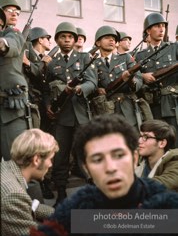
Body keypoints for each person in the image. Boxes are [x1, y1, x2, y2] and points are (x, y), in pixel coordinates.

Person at [21, 114, 178, 236]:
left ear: (135, 157)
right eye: (97, 159)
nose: (110, 168)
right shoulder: (78, 207)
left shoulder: (167, 205)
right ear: (86, 168)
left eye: (119, 155)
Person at [45, 21, 98, 205]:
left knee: (86, 151)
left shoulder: (84, 58)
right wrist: (48, 106)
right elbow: (47, 90)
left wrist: (79, 89)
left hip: (81, 113)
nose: (67, 40)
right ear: (57, 40)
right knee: (60, 155)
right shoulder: (53, 65)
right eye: (63, 37)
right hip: (62, 117)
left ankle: (94, 188)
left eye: (70, 37)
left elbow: (92, 82)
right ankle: (61, 192)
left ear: (75, 40)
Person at [1, 128, 59, 236]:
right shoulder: (13, 195)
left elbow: (30, 206)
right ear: (36, 159)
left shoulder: (7, 168)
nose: (51, 164)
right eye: (50, 159)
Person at [135, 12, 178, 147]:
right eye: (157, 26)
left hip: (172, 103)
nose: (161, 29)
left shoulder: (174, 48)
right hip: (152, 105)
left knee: (174, 143)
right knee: (156, 144)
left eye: (163, 26)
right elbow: (132, 77)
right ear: (148, 30)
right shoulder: (140, 56)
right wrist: (142, 76)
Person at [91, 25, 145, 131]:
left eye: (114, 38)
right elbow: (89, 83)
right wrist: (97, 89)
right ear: (98, 43)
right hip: (106, 109)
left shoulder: (125, 57)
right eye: (107, 37)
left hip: (127, 107)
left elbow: (139, 80)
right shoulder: (93, 63)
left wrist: (131, 81)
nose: (111, 40)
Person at [23, 27, 55, 199]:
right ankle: (39, 183)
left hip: (44, 105)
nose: (49, 41)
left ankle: (45, 180)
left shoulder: (47, 59)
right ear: (39, 40)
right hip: (32, 105)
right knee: (35, 145)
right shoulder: (28, 54)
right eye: (47, 38)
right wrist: (38, 63)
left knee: (46, 144)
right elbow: (32, 73)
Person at [0, 0, 28, 161]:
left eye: (17, 12)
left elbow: (11, 44)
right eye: (10, 11)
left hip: (10, 110)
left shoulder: (14, 34)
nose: (15, 14)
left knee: (19, 163)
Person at [135, 119, 178, 192]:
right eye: (140, 136)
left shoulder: (175, 160)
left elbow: (168, 181)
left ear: (162, 143)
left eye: (146, 137)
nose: (139, 141)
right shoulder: (139, 159)